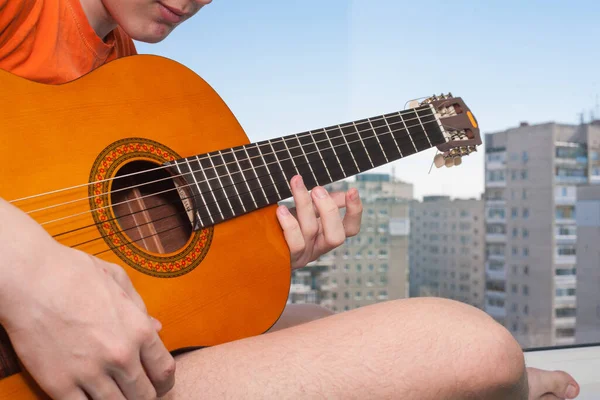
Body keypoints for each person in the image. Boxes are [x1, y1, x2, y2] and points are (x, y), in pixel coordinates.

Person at [0, 0, 582, 399]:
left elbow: (125, 254)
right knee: (474, 348)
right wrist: (32, 272)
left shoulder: (121, 73)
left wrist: (259, 255)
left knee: (319, 321)